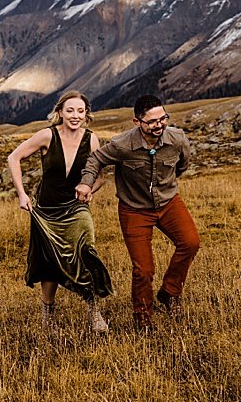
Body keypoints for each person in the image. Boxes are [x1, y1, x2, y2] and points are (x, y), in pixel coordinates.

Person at [76, 94, 200, 330]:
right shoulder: (122, 145)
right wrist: (85, 183)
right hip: (134, 210)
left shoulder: (177, 138)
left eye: (163, 118)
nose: (159, 125)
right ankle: (142, 318)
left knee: (191, 242)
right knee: (143, 269)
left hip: (169, 202)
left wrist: (167, 185)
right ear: (137, 122)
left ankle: (170, 292)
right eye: (152, 121)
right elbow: (95, 160)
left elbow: (182, 164)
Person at [7, 91, 113, 333]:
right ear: (60, 113)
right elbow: (14, 158)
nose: (75, 115)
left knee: (87, 253)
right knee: (49, 263)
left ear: (87, 114)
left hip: (77, 209)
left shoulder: (91, 140)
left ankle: (94, 312)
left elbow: (101, 175)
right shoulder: (47, 135)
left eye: (80, 111)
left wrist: (90, 189)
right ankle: (48, 316)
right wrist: (22, 194)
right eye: (70, 110)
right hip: (46, 210)